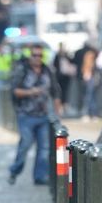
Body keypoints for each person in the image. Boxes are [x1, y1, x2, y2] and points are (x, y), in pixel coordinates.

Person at [8, 44, 62, 186]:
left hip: (43, 115)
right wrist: (31, 92)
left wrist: (57, 114)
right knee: (25, 144)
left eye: (40, 55)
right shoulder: (22, 70)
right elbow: (14, 90)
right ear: (30, 56)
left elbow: (56, 91)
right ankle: (15, 170)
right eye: (35, 55)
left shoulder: (47, 71)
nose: (37, 58)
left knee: (44, 148)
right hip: (25, 114)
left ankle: (39, 176)